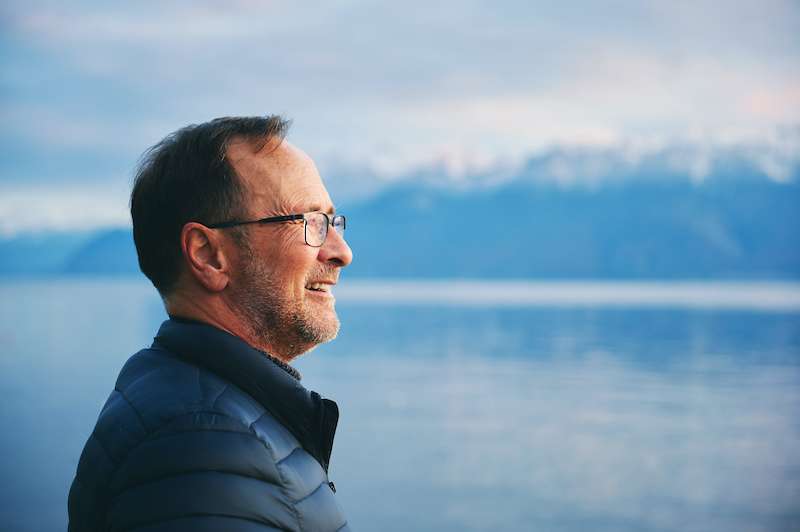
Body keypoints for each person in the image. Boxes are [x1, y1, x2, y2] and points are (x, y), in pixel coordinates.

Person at [68, 116, 354, 531]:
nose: (341, 252)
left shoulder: (197, 405)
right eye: (310, 222)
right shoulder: (203, 446)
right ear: (207, 254)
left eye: (333, 222)